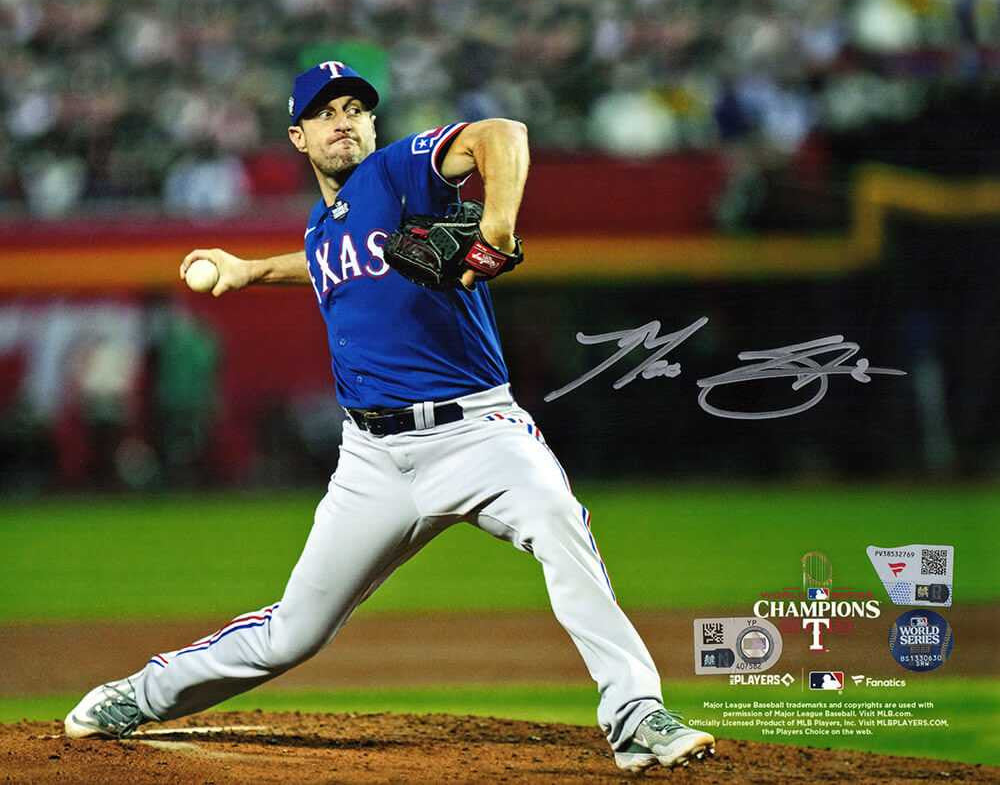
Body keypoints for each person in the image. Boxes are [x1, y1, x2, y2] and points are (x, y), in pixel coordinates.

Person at [63, 61, 716, 773]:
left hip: (478, 434)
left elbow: (504, 133)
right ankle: (138, 694)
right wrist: (251, 270)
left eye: (355, 108)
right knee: (293, 632)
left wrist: (496, 225)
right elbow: (325, 260)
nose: (342, 121)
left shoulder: (401, 173)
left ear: (374, 126)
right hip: (371, 459)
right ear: (298, 137)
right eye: (324, 113)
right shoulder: (325, 225)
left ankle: (636, 712)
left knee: (559, 524)